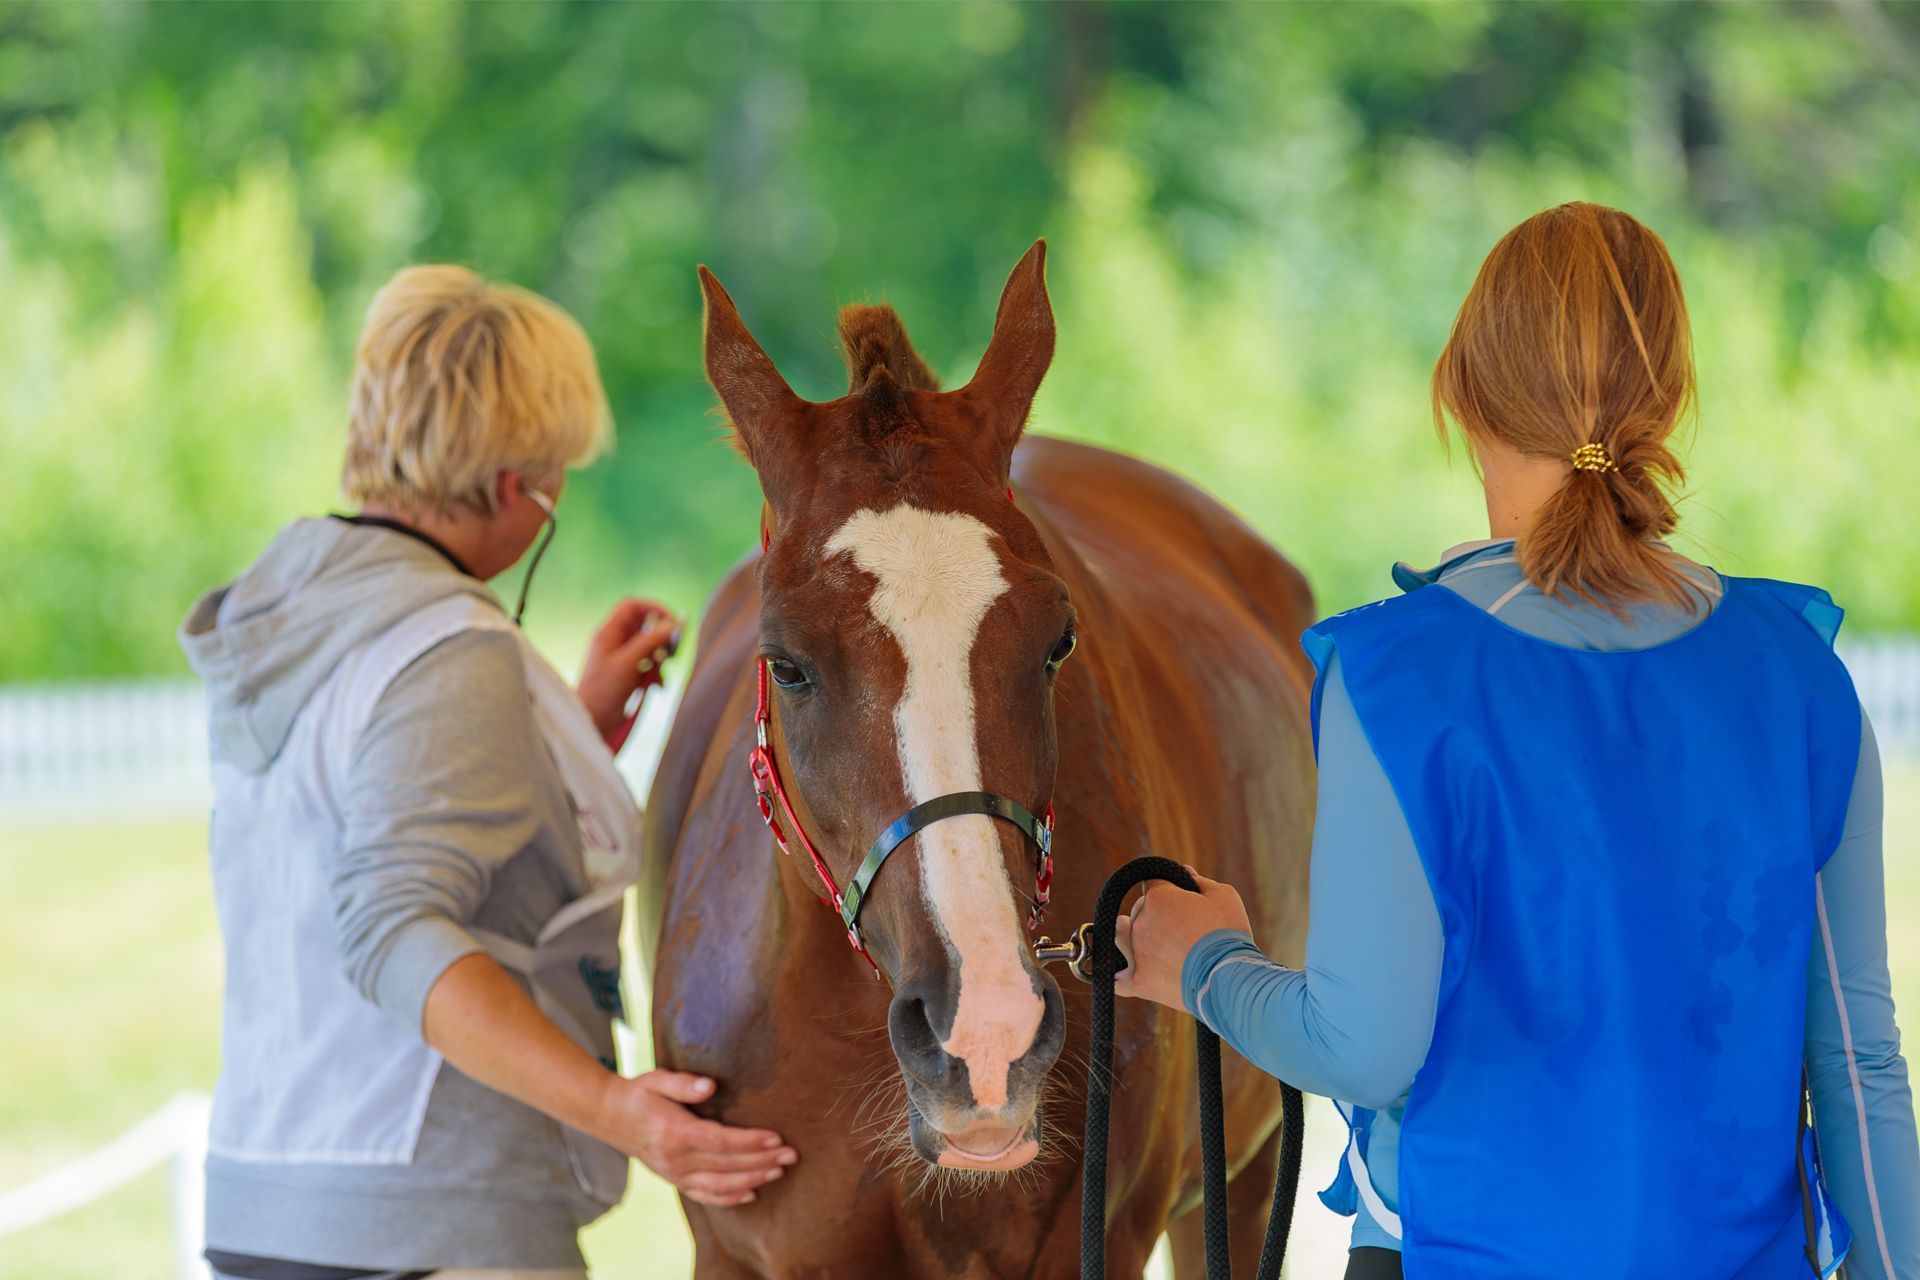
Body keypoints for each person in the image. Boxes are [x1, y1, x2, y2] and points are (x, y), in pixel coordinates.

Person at [1115, 203, 1917, 1279]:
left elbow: (1365, 1044)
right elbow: (1859, 1068)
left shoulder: (1400, 672)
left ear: (1461, 391)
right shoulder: (1796, 672)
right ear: (1669, 401)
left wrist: (1202, 960)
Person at [180, 266, 795, 1280]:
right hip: (430, 1219)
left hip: (272, 1204)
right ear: (515, 486)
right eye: (555, 479)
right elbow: (390, 927)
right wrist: (616, 1110)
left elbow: (368, 812)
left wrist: (565, 727)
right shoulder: (449, 649)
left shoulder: (301, 617)